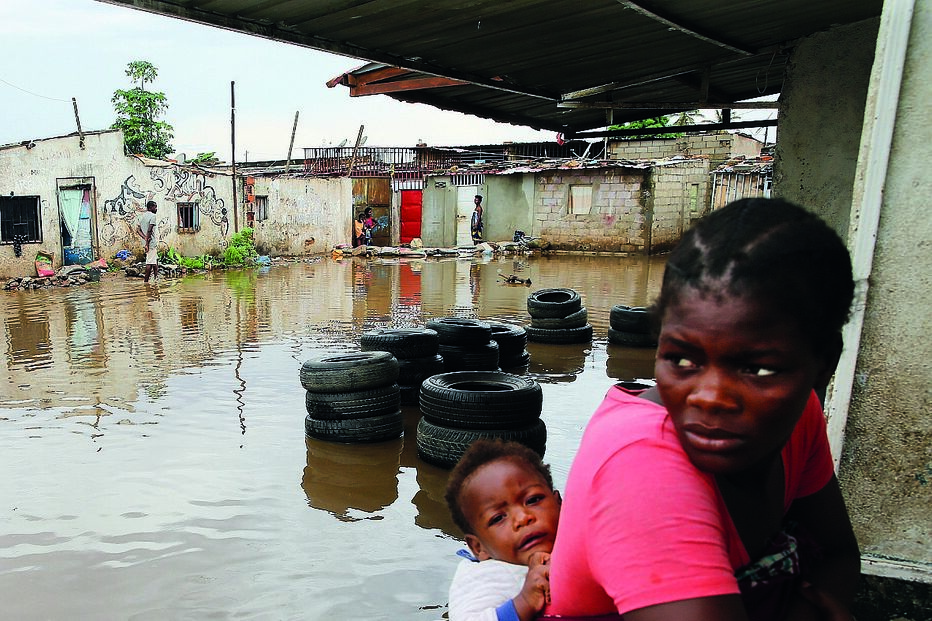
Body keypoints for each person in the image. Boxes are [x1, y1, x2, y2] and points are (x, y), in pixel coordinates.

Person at [545, 198, 861, 621]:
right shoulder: (641, 466)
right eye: (681, 359)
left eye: (758, 368)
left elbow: (837, 554)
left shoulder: (798, 412)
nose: (709, 396)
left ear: (823, 366)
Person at [445, 439, 561, 621]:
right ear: (478, 547)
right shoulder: (487, 577)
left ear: (559, 504)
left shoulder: (578, 541)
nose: (522, 518)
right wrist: (524, 602)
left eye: (533, 500)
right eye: (498, 518)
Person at [136, 200, 159, 283]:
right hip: (150, 243)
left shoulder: (142, 216)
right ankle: (146, 282)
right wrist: (147, 243)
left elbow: (138, 230)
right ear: (150, 207)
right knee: (149, 263)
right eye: (155, 207)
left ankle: (156, 278)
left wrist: (144, 237)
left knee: (154, 260)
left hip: (147, 242)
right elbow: (149, 230)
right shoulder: (153, 216)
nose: (156, 209)